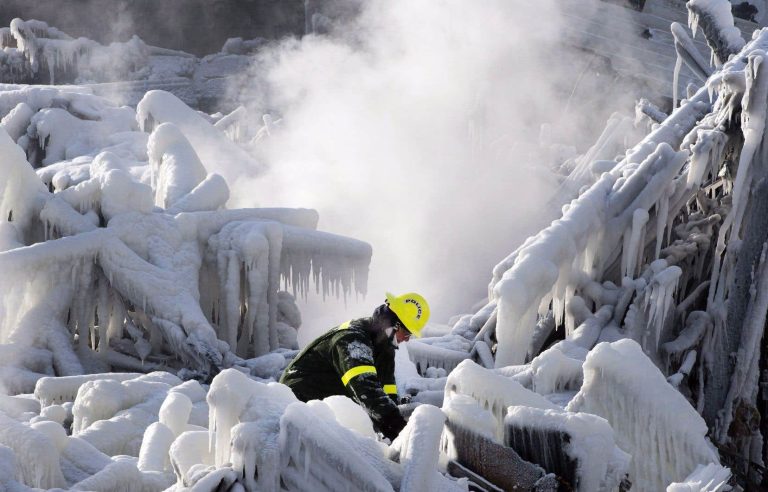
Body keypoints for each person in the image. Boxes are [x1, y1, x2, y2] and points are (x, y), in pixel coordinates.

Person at [279, 292, 430, 440]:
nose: (407, 339)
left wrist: (395, 414)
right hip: (294, 402)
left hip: (325, 408)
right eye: (407, 332)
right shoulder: (352, 339)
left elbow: (386, 392)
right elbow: (367, 390)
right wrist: (401, 433)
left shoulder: (385, 348)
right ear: (394, 324)